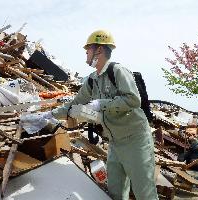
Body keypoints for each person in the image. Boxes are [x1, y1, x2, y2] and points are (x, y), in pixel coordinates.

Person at [23, 30, 159, 200]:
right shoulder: (91, 80)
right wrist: (48, 115)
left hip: (136, 141)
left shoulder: (117, 71)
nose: (86, 54)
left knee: (144, 193)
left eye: (88, 50)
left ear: (99, 51)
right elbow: (74, 105)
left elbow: (133, 100)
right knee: (115, 192)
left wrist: (102, 104)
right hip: (115, 143)